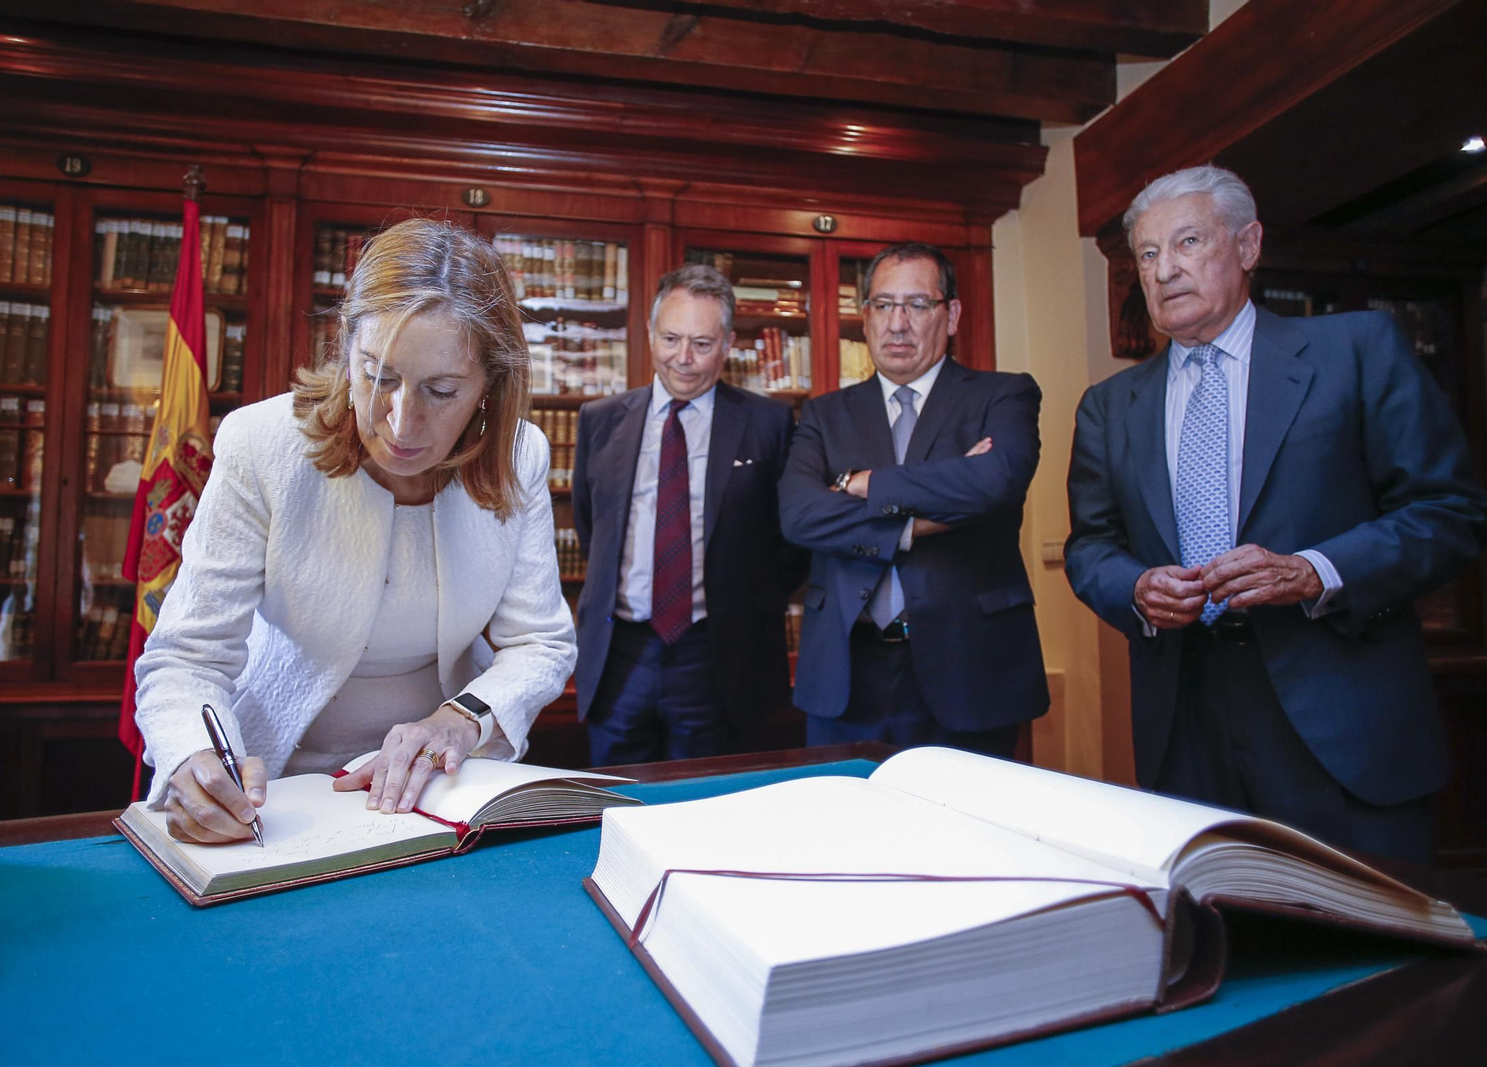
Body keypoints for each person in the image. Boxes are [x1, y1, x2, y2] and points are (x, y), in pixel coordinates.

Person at [1065, 165, 1487, 863]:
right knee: (1222, 953)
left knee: (1368, 958)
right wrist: (1135, 587)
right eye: (1147, 254)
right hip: (1185, 723)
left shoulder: (1354, 351)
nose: (1165, 269)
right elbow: (1091, 546)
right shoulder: (1110, 406)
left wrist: (1315, 570)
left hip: (1341, 717)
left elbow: (1449, 511)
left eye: (1188, 242)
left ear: (1248, 245)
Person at [134, 219, 577, 844]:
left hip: (449, 783)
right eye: (379, 375)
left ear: (489, 388)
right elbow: (187, 656)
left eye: (441, 390)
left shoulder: (518, 455)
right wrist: (191, 758)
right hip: (280, 788)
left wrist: (459, 721)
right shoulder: (260, 445)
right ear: (347, 348)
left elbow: (540, 644)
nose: (401, 422)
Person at [778, 242, 1048, 752]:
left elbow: (995, 484)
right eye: (883, 305)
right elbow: (799, 517)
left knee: (969, 831)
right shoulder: (824, 414)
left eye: (918, 305)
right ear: (865, 317)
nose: (897, 323)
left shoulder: (1002, 395)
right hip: (845, 675)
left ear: (952, 315)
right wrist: (915, 523)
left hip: (971, 671)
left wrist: (863, 484)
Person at [571, 264, 803, 764]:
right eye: (671, 338)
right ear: (650, 334)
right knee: (618, 803)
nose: (684, 359)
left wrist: (745, 603)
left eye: (702, 343)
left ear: (727, 344)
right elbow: (594, 531)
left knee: (707, 806)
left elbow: (789, 543)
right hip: (619, 655)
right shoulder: (600, 420)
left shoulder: (769, 424)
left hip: (717, 655)